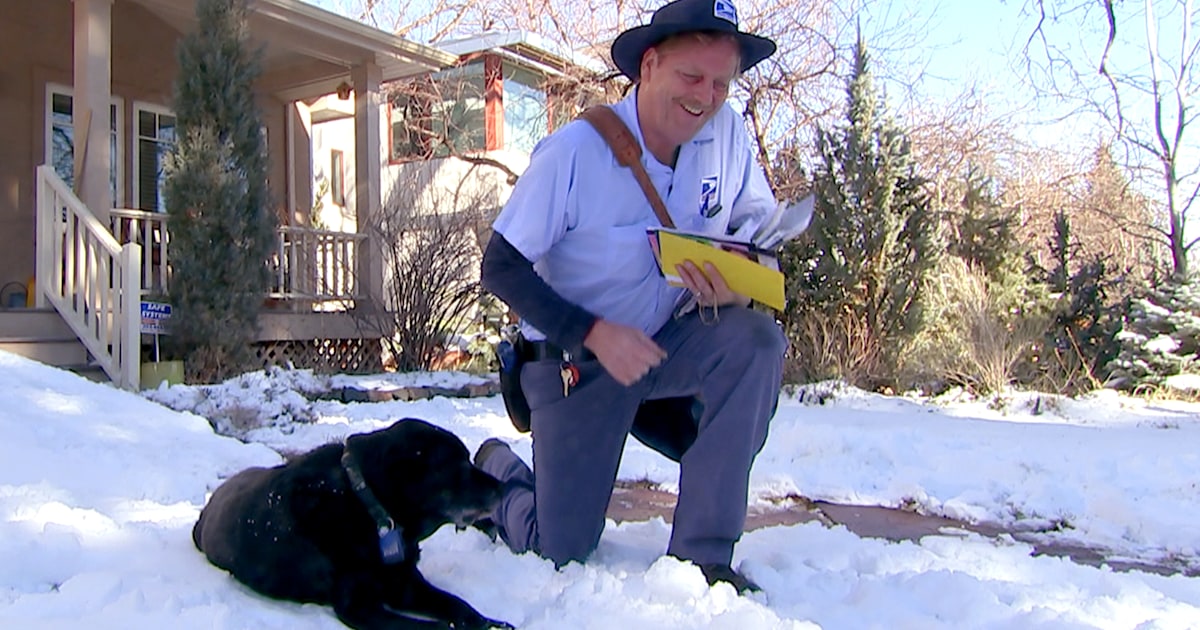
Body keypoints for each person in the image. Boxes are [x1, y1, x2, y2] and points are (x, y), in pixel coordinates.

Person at [475, 0, 786, 593]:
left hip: (664, 349)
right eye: (691, 77)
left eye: (721, 82)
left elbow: (759, 234)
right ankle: (498, 470)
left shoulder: (727, 136)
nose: (707, 96)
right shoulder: (574, 153)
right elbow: (501, 266)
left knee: (755, 342)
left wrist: (738, 284)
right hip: (577, 362)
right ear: (649, 66)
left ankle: (703, 558)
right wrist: (592, 332)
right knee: (559, 551)